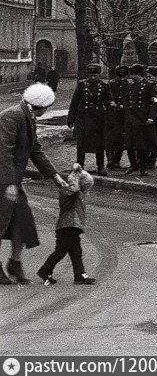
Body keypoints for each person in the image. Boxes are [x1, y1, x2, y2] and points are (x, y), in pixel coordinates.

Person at [0, 84, 67, 285]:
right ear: (43, 106)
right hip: (3, 179)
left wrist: (55, 176)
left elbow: (35, 150)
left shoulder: (28, 117)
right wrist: (10, 184)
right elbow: (3, 152)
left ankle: (15, 262)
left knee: (22, 220)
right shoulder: (11, 117)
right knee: (1, 223)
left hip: (11, 180)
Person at [36, 163, 95, 286]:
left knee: (76, 252)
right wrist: (76, 174)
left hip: (72, 227)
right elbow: (73, 187)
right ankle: (45, 270)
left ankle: (79, 274)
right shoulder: (70, 193)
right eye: (86, 187)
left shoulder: (75, 193)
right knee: (61, 251)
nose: (87, 190)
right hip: (67, 226)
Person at [67, 63, 110, 173]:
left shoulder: (104, 87)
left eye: (95, 75)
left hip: (98, 118)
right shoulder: (82, 86)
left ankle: (100, 167)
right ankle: (80, 167)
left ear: (98, 75)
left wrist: (111, 120)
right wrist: (71, 118)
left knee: (99, 143)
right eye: (91, 75)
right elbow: (74, 102)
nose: (93, 77)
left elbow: (109, 103)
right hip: (83, 118)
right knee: (81, 143)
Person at [122, 63, 157, 176]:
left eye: (132, 75)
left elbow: (156, 103)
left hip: (143, 119)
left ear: (138, 74)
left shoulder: (149, 86)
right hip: (131, 119)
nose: (130, 77)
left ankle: (143, 167)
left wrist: (151, 117)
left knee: (143, 145)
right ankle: (132, 164)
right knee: (129, 143)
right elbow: (126, 100)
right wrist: (127, 111)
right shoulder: (131, 86)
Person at [105, 66, 130, 171]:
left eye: (124, 77)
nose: (122, 79)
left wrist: (124, 106)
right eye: (120, 76)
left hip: (123, 115)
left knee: (120, 138)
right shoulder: (110, 85)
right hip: (111, 114)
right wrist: (110, 102)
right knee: (110, 138)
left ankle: (116, 161)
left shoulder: (129, 85)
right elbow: (105, 97)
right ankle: (110, 159)